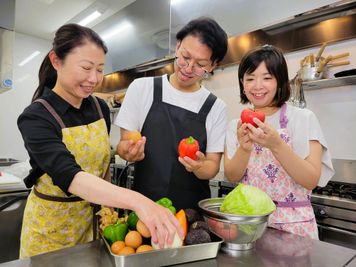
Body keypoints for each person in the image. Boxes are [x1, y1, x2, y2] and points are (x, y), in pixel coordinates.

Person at [17, 23, 183, 259]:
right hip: (51, 230)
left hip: (96, 224)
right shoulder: (36, 117)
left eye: (99, 69)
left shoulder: (99, 107)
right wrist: (139, 202)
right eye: (85, 68)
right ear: (56, 61)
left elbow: (102, 165)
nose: (94, 79)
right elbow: (71, 176)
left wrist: (124, 155)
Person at [115, 17, 228, 210]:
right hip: (144, 209)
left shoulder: (216, 107)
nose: (189, 68)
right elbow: (124, 143)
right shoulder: (142, 88)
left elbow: (212, 166)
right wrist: (128, 151)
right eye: (185, 57)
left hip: (190, 215)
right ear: (177, 47)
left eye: (200, 64)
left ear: (213, 65)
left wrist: (199, 167)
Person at [224, 45, 334, 239]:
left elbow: (310, 180)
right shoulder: (236, 124)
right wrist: (244, 148)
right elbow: (232, 176)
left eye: (267, 78)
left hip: (294, 227)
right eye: (250, 78)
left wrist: (277, 145)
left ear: (280, 81)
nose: (257, 86)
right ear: (242, 83)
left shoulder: (303, 118)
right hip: (250, 225)